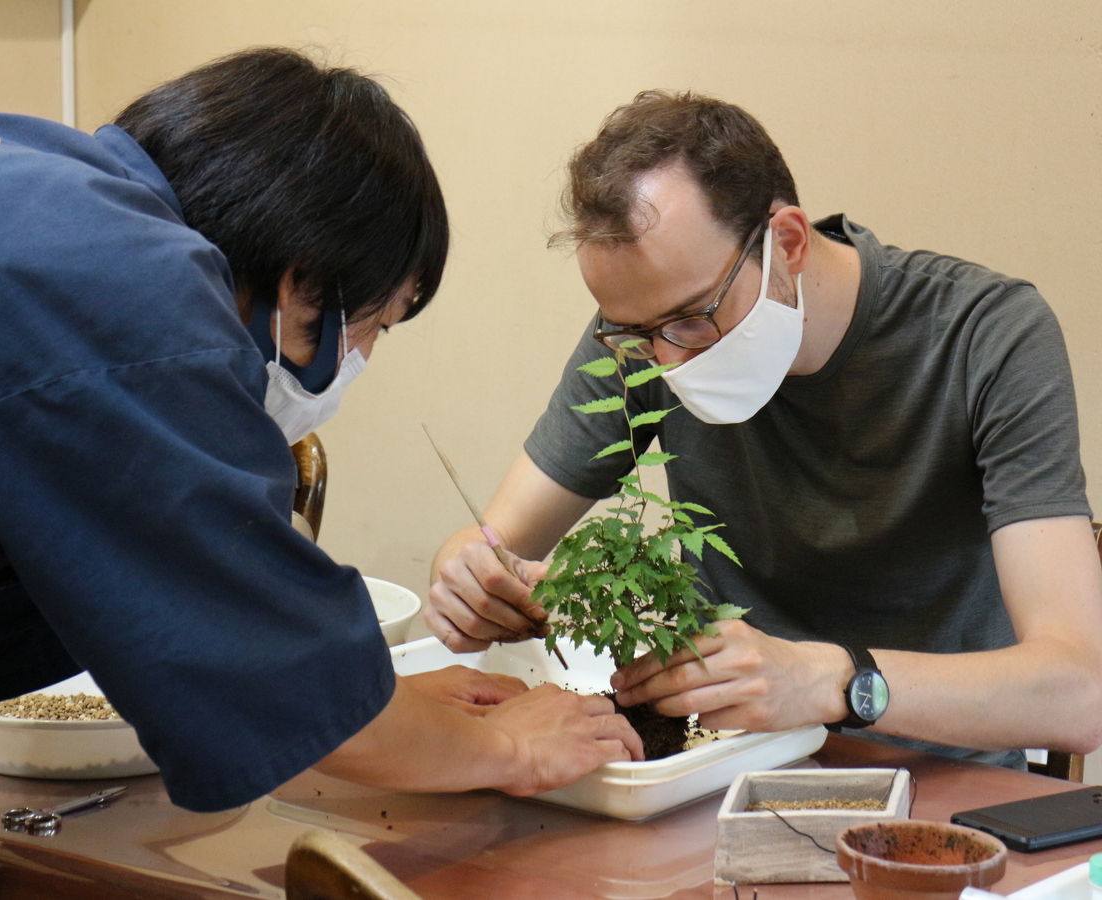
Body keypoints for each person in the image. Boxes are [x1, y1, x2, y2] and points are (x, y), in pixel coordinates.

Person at [0, 48, 641, 813]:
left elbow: (176, 623)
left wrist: (378, 704)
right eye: (376, 325)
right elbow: (259, 671)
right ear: (301, 282)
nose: (362, 361)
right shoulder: (133, 292)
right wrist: (506, 746)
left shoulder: (26, 172)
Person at [427, 90, 1102, 768]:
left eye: (695, 316)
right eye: (636, 333)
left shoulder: (986, 337)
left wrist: (831, 681)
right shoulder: (643, 333)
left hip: (942, 785)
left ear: (788, 243)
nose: (666, 360)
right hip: (719, 770)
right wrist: (470, 570)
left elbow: (1079, 692)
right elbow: (499, 543)